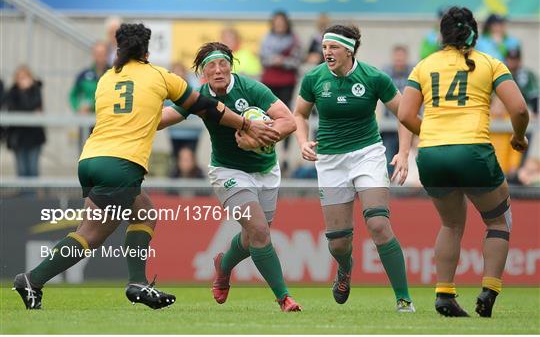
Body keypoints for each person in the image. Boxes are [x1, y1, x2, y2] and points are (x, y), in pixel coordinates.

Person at [13, 24, 280, 310]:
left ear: (119, 50)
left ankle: (134, 282)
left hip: (90, 159)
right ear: (147, 51)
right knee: (92, 233)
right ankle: (33, 279)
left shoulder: (106, 78)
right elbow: (205, 106)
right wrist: (245, 123)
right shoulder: (160, 77)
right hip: (121, 165)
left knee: (144, 213)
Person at [398, 6, 529, 318]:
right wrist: (519, 137)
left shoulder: (424, 65)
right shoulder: (490, 63)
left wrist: (429, 133)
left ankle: (444, 293)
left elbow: (404, 114)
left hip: (431, 153)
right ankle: (489, 289)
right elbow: (520, 110)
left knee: (451, 224)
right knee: (498, 221)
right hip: (472, 151)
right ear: (475, 33)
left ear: (443, 35)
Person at [159, 42, 301, 312]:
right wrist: (135, 117)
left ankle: (223, 266)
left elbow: (289, 121)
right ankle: (284, 298)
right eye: (211, 65)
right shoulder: (199, 96)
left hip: (266, 170)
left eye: (223, 63)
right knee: (259, 231)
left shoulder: (252, 89)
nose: (218, 69)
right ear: (203, 72)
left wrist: (257, 139)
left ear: (231, 65)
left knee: (253, 238)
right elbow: (166, 116)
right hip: (228, 171)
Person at [293, 24, 415, 312]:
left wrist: (404, 152)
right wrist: (301, 141)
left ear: (348, 49)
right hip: (331, 161)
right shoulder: (314, 78)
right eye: (324, 47)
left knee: (378, 223)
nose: (326, 52)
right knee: (338, 244)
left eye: (332, 47)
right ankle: (345, 269)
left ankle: (403, 298)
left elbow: (405, 114)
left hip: (367, 155)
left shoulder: (374, 77)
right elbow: (299, 113)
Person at [4, 65, 46, 177]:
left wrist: (28, 91)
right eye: (20, 78)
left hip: (34, 136)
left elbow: (37, 106)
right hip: (18, 136)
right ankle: (23, 193)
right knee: (22, 170)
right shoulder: (12, 92)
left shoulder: (36, 90)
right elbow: (15, 109)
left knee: (33, 169)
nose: (23, 81)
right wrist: (23, 93)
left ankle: (32, 194)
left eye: (25, 77)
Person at [69, 41, 110, 150]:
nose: (100, 57)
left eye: (102, 54)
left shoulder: (114, 73)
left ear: (107, 55)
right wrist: (78, 107)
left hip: (106, 121)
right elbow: (73, 95)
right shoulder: (84, 74)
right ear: (93, 54)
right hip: (86, 121)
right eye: (97, 53)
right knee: (85, 152)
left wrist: (92, 105)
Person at [382, 45, 414, 176]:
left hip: (407, 122)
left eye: (402, 57)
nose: (399, 60)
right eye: (397, 57)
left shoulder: (413, 72)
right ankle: (389, 184)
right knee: (388, 158)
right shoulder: (386, 72)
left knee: (409, 157)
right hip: (389, 124)